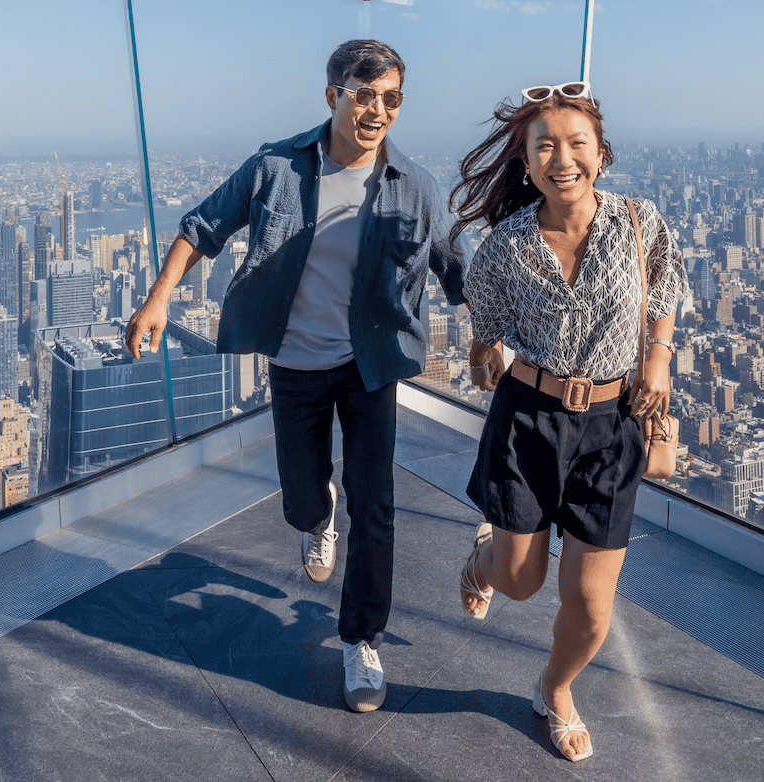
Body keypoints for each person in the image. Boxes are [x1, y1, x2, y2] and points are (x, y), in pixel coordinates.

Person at [124, 40, 466, 713]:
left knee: (378, 504)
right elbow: (203, 226)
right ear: (333, 95)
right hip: (295, 364)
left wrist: (502, 335)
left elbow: (462, 269)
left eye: (390, 98)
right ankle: (316, 517)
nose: (376, 110)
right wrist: (159, 296)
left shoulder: (416, 188)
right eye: (362, 94)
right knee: (303, 498)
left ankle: (359, 638)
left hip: (370, 367)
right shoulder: (275, 167)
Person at [450, 82, 689, 761]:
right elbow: (486, 324)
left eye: (576, 144)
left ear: (601, 154)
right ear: (525, 163)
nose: (562, 158)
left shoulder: (638, 223)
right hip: (528, 419)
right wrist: (483, 347)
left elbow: (666, 289)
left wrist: (659, 363)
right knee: (521, 583)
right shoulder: (505, 245)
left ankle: (555, 688)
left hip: (612, 426)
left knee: (588, 604)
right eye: (544, 147)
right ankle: (484, 559)